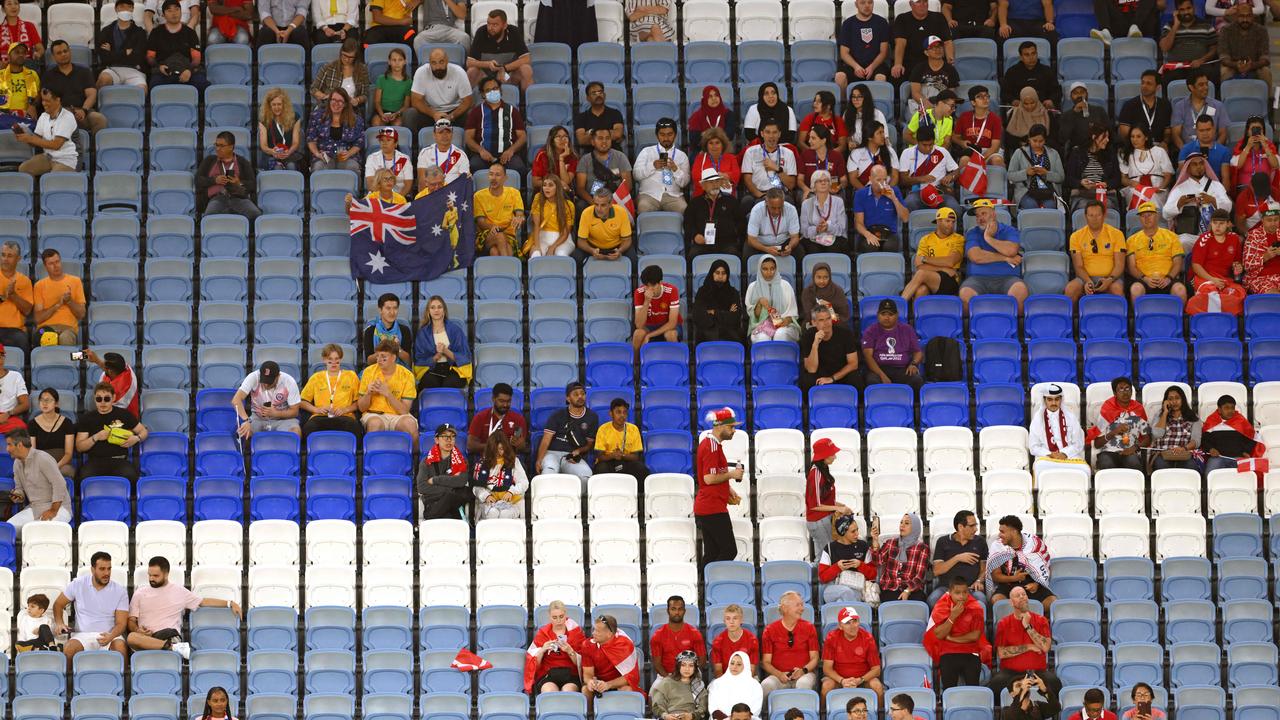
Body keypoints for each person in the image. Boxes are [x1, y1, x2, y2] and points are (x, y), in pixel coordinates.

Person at [127, 556, 240, 657]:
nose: (151, 578)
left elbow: (202, 601)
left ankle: (171, 646)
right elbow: (131, 620)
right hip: (146, 639)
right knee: (132, 637)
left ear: (166, 574)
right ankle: (174, 648)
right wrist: (138, 630)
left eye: (156, 576)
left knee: (167, 635)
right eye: (150, 575)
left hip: (168, 634)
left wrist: (229, 603)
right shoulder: (140, 593)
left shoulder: (179, 591)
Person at [53, 552, 129, 662]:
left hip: (110, 635)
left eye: (109, 569)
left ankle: (122, 679)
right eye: (102, 569)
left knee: (120, 648)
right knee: (69, 649)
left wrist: (111, 636)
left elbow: (121, 623)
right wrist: (59, 623)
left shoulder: (120, 591)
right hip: (82, 635)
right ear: (93, 570)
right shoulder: (77, 584)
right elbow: (58, 605)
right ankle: (67, 680)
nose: (107, 573)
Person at [695, 408, 744, 567]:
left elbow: (715, 473)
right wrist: (732, 475)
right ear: (720, 426)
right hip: (712, 507)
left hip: (709, 506)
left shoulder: (711, 444)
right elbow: (709, 479)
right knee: (729, 550)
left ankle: (704, 586)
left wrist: (728, 490)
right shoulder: (712, 447)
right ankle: (713, 583)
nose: (734, 431)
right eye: (731, 427)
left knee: (712, 553)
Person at [989, 586, 1058, 696]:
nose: (1022, 597)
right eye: (1018, 596)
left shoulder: (1041, 620)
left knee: (1054, 683)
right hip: (1011, 672)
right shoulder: (1004, 623)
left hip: (1037, 671)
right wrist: (1029, 647)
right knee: (995, 684)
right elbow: (1002, 653)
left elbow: (1046, 647)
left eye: (1024, 594)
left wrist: (1027, 626)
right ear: (1012, 602)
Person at [74, 382, 147, 481]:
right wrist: (96, 437)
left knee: (131, 477)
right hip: (95, 461)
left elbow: (144, 431)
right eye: (99, 399)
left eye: (107, 399)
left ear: (113, 398)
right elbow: (79, 447)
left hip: (119, 459)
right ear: (95, 399)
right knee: (84, 478)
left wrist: (136, 438)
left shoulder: (124, 414)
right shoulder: (87, 418)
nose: (103, 402)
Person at [925, 575, 987, 690]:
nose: (962, 596)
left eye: (965, 592)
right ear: (950, 592)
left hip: (971, 652)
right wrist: (952, 617)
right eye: (957, 593)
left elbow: (975, 635)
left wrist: (952, 639)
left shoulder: (975, 608)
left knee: (973, 690)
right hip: (948, 653)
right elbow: (939, 634)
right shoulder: (941, 607)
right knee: (949, 690)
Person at [1164, 153, 1234, 253]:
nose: (1199, 167)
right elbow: (1165, 213)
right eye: (1194, 164)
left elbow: (1228, 207)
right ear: (1187, 168)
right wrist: (1179, 204)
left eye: (1201, 164)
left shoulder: (1215, 185)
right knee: (1182, 241)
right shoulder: (1179, 189)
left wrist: (1213, 200)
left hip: (1214, 233)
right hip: (1190, 236)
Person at [6, 429, 70, 535]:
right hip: (34, 508)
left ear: (20, 445)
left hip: (59, 508)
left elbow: (60, 484)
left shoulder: (43, 458)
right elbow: (19, 488)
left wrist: (53, 511)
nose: (7, 449)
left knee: (39, 530)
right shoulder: (16, 463)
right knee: (9, 527)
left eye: (9, 445)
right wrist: (18, 495)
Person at [986, 515, 1057, 611]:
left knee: (1052, 602)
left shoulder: (1035, 544)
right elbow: (995, 575)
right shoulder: (998, 546)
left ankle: (1034, 621)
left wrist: (1037, 584)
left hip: (1031, 586)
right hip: (1008, 585)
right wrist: (1014, 578)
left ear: (1014, 532)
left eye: (1002, 532)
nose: (999, 535)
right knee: (997, 600)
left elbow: (1046, 568)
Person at [358, 339, 420, 443]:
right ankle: (372, 458)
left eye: (383, 357)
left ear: (393, 358)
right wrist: (368, 393)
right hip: (374, 414)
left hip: (398, 416)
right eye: (377, 356)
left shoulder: (407, 375)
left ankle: (415, 458)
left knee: (410, 424)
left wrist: (388, 394)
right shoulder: (368, 372)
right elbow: (361, 408)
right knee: (375, 423)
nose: (378, 360)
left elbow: (404, 411)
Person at [759, 591, 820, 697]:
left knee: (803, 684)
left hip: (804, 674)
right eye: (798, 605)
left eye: (802, 605)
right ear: (785, 608)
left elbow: (815, 658)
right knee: (766, 685)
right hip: (779, 676)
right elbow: (766, 662)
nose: (802, 608)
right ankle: (765, 713)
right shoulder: (770, 630)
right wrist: (779, 674)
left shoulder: (809, 627)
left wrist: (803, 670)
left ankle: (805, 713)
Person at [1065, 200, 1127, 303]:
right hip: (1085, 278)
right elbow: (1078, 266)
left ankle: (1119, 318)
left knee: (1117, 290)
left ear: (1104, 216)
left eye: (1098, 215)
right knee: (1070, 289)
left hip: (1111, 278)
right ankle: (1074, 318)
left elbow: (1119, 264)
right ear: (1085, 216)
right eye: (1091, 215)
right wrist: (1088, 281)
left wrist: (1109, 280)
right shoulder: (1076, 236)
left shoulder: (1117, 234)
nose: (1094, 219)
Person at [821, 606, 884, 703]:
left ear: (859, 622)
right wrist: (842, 680)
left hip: (863, 679)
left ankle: (880, 716)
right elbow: (827, 668)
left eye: (855, 621)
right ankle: (823, 715)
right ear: (840, 626)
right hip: (838, 678)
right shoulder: (832, 638)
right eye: (847, 623)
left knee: (878, 687)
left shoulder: (867, 638)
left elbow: (876, 670)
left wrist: (860, 680)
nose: (852, 626)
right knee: (826, 686)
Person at [537, 382, 598, 482]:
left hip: (571, 456)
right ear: (568, 398)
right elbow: (546, 440)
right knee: (548, 473)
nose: (580, 397)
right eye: (576, 394)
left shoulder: (592, 417)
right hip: (552, 453)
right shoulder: (558, 415)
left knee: (586, 476)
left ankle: (576, 498)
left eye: (582, 393)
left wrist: (579, 451)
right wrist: (539, 460)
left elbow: (589, 444)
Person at [41, 41, 106, 136]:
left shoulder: (84, 72)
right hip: (60, 113)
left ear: (70, 52)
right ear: (54, 57)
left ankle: (93, 148)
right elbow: (47, 100)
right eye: (59, 53)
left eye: (65, 51)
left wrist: (84, 110)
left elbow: (91, 94)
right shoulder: (48, 76)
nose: (63, 54)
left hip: (83, 111)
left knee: (99, 119)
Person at [524, 599, 586, 694]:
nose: (558, 621)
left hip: (571, 674)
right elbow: (534, 665)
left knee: (568, 691)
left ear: (565, 615)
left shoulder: (575, 632)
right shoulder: (543, 633)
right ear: (549, 617)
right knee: (550, 691)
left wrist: (570, 651)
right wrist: (542, 650)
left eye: (561, 617)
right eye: (554, 617)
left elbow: (584, 662)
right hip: (548, 674)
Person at [1128, 203, 1188, 300]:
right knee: (1136, 289)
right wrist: (1145, 278)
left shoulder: (1171, 236)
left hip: (1167, 278)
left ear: (1157, 216)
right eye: (1143, 216)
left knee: (1180, 290)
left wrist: (1168, 278)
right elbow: (1132, 266)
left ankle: (1177, 315)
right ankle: (1139, 315)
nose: (1146, 218)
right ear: (1139, 219)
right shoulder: (1132, 240)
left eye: (1149, 215)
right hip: (1144, 280)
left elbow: (1178, 263)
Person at [298, 344, 361, 436]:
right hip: (320, 417)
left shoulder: (351, 376)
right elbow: (302, 402)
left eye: (337, 359)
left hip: (345, 416)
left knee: (354, 427)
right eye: (330, 359)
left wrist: (346, 409)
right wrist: (316, 409)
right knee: (308, 428)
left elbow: (358, 402)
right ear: (324, 359)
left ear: (341, 359)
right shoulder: (316, 377)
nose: (334, 362)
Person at [1028, 384, 1088, 481]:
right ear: (1044, 400)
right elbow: (1033, 447)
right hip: (1046, 456)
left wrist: (1064, 453)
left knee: (1084, 470)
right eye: (1050, 399)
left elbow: (1078, 443)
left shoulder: (1071, 417)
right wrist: (1050, 454)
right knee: (1040, 469)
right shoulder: (1037, 420)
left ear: (1061, 400)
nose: (1054, 403)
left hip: (1069, 455)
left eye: (1057, 399)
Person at [1090, 377, 1151, 472]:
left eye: (1127, 388)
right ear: (1115, 393)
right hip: (1108, 451)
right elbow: (1097, 444)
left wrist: (1134, 448)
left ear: (1131, 391)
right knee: (1106, 463)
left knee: (1133, 463)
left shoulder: (1138, 409)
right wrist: (1114, 432)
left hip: (1131, 451)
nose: (1125, 392)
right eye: (1121, 389)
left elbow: (1147, 438)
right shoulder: (1107, 410)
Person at [804, 438, 853, 556]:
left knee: (828, 555)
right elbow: (814, 505)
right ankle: (809, 574)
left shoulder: (823, 469)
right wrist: (838, 509)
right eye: (832, 454)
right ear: (824, 455)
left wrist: (840, 505)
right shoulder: (815, 474)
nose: (835, 457)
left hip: (823, 519)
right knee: (825, 556)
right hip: (818, 521)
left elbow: (824, 498)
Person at [903, 207, 964, 300]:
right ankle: (916, 314)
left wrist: (925, 259)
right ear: (938, 221)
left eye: (953, 222)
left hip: (950, 280)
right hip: (933, 277)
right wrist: (943, 268)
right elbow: (919, 266)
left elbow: (950, 262)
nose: (951, 225)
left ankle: (900, 304)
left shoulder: (958, 239)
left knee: (921, 274)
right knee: (921, 290)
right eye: (947, 221)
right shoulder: (926, 239)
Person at [196, 131, 260, 220]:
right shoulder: (209, 160)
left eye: (221, 146)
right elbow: (198, 180)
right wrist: (214, 180)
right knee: (209, 217)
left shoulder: (243, 162)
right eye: (216, 145)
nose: (217, 148)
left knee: (255, 214)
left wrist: (239, 183)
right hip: (217, 198)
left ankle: (246, 233)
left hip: (238, 198)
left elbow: (252, 184)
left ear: (231, 147)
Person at [862, 298, 924, 390]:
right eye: (883, 314)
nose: (886, 317)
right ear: (878, 315)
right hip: (878, 369)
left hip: (902, 369)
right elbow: (868, 356)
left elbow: (918, 352)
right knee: (872, 382)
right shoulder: (870, 331)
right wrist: (882, 375)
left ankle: (909, 404)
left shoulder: (907, 329)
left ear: (897, 315)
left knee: (916, 380)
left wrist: (913, 364)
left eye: (890, 314)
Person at [740, 120, 798, 216]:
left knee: (789, 202)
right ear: (762, 134)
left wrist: (777, 168)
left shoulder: (788, 153)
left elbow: (791, 185)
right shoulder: (751, 152)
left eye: (775, 132)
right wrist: (761, 195)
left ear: (779, 134)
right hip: (758, 193)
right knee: (747, 202)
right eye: (768, 132)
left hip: (781, 194)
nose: (771, 136)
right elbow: (747, 180)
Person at [16, 87, 78, 177]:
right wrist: (25, 137)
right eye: (43, 100)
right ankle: (34, 190)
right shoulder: (43, 116)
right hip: (48, 157)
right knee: (24, 169)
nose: (44, 104)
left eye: (47, 101)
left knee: (53, 178)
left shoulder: (67, 117)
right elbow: (35, 142)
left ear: (58, 100)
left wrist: (31, 139)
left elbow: (56, 145)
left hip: (67, 159)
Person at [580, 615, 641, 706]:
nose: (593, 633)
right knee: (585, 689)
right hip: (598, 684)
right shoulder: (587, 645)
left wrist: (608, 684)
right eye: (594, 629)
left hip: (617, 683)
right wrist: (590, 682)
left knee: (627, 690)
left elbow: (629, 677)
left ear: (609, 634)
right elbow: (587, 674)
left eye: (597, 631)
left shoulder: (624, 645)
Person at [930, 510, 988, 605]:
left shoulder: (980, 541)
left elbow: (984, 568)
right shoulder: (942, 541)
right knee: (933, 600)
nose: (976, 529)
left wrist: (979, 580)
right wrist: (957, 558)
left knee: (981, 601)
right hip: (947, 588)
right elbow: (937, 570)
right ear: (961, 527)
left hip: (971, 588)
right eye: (972, 526)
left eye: (976, 525)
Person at [898, 126, 960, 214]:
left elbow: (956, 171)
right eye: (924, 145)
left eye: (930, 145)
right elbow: (903, 180)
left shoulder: (942, 152)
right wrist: (921, 179)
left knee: (955, 209)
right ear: (917, 142)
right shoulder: (907, 153)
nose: (928, 148)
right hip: (918, 192)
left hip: (939, 191)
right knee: (908, 204)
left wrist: (950, 176)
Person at [1188, 209, 1244, 306]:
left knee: (1239, 294)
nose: (1217, 226)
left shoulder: (1235, 239)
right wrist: (1212, 279)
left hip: (1225, 279)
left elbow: (1237, 262)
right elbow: (1196, 266)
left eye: (1221, 223)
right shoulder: (1204, 239)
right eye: (1215, 223)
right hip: (1204, 277)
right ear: (1211, 223)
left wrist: (1238, 267)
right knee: (1211, 295)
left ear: (1228, 224)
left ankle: (1228, 319)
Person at [407, 48, 472, 131]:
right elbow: (416, 101)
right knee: (410, 114)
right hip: (430, 112)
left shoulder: (459, 72)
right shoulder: (421, 72)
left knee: (471, 113)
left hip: (455, 113)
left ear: (447, 61)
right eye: (434, 63)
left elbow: (468, 101)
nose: (438, 67)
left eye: (441, 62)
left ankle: (467, 143)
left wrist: (452, 116)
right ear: (429, 63)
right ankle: (416, 142)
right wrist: (433, 114)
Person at [466, 8, 532, 90]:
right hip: (485, 77)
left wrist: (504, 68)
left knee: (526, 69)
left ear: (504, 26)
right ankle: (470, 102)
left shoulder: (514, 32)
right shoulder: (481, 32)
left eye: (495, 25)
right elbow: (469, 62)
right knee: (471, 71)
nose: (490, 28)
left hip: (507, 76)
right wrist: (487, 64)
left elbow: (526, 59)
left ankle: (525, 101)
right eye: (488, 24)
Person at [232, 361, 301, 439]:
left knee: (295, 433)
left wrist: (276, 413)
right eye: (264, 381)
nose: (266, 385)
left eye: (269, 382)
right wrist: (246, 420)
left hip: (283, 419)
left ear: (278, 376)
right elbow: (236, 400)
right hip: (257, 418)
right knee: (244, 433)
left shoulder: (289, 381)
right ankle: (249, 451)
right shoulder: (253, 377)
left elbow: (295, 412)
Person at [650, 596, 707, 691]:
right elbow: (657, 664)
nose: (677, 612)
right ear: (668, 611)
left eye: (680, 609)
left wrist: (688, 675)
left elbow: (702, 660)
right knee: (652, 694)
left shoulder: (694, 633)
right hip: (666, 675)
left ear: (684, 611)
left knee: (701, 694)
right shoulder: (658, 635)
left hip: (690, 674)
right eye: (673, 609)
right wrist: (670, 680)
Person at [800, 304, 861, 393]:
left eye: (828, 318)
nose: (826, 323)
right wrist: (815, 345)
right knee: (807, 380)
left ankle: (856, 406)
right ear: (813, 322)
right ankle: (811, 406)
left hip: (841, 374)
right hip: (819, 376)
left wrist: (832, 378)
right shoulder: (807, 336)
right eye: (821, 320)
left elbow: (853, 364)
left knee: (855, 378)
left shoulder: (845, 334)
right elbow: (811, 369)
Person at [634, 118, 689, 214]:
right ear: (657, 135)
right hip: (649, 195)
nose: (666, 138)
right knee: (643, 207)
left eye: (670, 134)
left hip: (674, 196)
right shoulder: (646, 152)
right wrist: (652, 166)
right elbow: (636, 175)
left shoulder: (682, 156)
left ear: (675, 135)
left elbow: (684, 183)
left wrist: (675, 169)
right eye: (662, 134)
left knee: (684, 209)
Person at [416, 423, 470, 520]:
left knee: (455, 496)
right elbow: (421, 487)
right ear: (436, 440)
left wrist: (436, 480)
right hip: (434, 504)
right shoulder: (426, 462)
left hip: (452, 504)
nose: (449, 440)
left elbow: (461, 481)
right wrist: (450, 488)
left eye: (452, 437)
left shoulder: (461, 461)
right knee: (450, 497)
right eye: (445, 436)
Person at [1159, 0, 1218, 88]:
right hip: (1176, 68)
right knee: (1166, 79)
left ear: (1193, 8)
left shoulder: (1206, 25)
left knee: (1213, 74)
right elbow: (1164, 48)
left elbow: (1214, 49)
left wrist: (1202, 60)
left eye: (1188, 8)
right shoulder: (1169, 26)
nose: (1186, 12)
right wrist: (1175, 26)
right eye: (1182, 9)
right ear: (1177, 11)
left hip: (1199, 66)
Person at [819, 514, 876, 603]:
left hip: (856, 587)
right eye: (853, 531)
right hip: (833, 589)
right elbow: (822, 577)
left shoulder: (863, 546)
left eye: (857, 530)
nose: (857, 534)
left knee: (841, 601)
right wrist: (837, 567)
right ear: (843, 532)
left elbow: (873, 575)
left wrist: (860, 565)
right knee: (847, 592)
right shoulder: (830, 548)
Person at [892, 0, 953, 83]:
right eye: (918, 2)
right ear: (911, 4)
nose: (922, 5)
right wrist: (898, 64)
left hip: (935, 61)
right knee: (896, 75)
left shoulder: (939, 17)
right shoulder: (902, 19)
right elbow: (900, 43)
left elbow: (947, 42)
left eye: (925, 2)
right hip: (910, 63)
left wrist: (950, 61)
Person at [32, 249, 85, 347]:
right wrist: (58, 305)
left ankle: (70, 361)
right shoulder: (39, 285)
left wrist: (69, 301)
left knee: (65, 338)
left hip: (68, 329)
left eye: (57, 262)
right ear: (45, 266)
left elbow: (81, 314)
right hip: (45, 328)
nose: (56, 266)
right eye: (51, 263)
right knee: (41, 336)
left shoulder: (75, 281)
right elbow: (38, 318)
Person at [146, 0, 204, 87]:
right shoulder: (156, 32)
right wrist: (159, 66)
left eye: (177, 10)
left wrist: (189, 70)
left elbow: (196, 58)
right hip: (164, 70)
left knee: (202, 85)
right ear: (163, 14)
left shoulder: (190, 32)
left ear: (181, 12)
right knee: (155, 85)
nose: (174, 13)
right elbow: (150, 57)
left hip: (186, 69)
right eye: (169, 10)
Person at [686, 168, 742, 259]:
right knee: (693, 255)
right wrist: (695, 235)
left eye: (717, 181)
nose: (715, 185)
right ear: (703, 185)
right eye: (711, 182)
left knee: (734, 254)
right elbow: (688, 223)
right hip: (703, 243)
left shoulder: (731, 201)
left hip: (726, 243)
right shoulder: (695, 203)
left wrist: (732, 234)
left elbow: (740, 222)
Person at [872, 513, 929, 602]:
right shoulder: (890, 543)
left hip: (912, 589)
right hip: (890, 587)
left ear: (915, 527)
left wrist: (907, 590)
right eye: (901, 522)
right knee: (890, 606)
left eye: (906, 523)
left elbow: (920, 576)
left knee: (918, 603)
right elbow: (877, 561)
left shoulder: (922, 548)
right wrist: (875, 540)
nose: (902, 525)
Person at [837, 0, 892, 91]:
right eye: (862, 3)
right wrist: (856, 67)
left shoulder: (881, 22)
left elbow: (883, 52)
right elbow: (844, 53)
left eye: (870, 2)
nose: (867, 6)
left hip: (876, 65)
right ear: (856, 4)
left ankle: (877, 105)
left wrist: (872, 67)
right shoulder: (848, 24)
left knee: (880, 78)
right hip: (853, 65)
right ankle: (844, 104)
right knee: (839, 77)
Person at [1065, 123, 1121, 211]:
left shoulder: (1110, 154)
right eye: (1104, 137)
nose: (1107, 140)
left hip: (1104, 194)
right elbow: (1069, 178)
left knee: (1108, 205)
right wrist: (1081, 183)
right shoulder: (1077, 153)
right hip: (1083, 194)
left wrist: (1106, 184)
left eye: (1108, 137)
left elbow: (1117, 179)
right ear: (1094, 137)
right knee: (1084, 206)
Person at [472, 431, 527, 520]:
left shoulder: (514, 461)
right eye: (495, 449)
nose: (498, 453)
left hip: (510, 501)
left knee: (505, 514)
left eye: (501, 449)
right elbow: (477, 487)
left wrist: (511, 492)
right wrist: (486, 496)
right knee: (493, 512)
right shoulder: (482, 463)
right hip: (489, 501)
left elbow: (524, 482)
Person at [307, 88, 365, 172]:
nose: (336, 104)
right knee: (318, 168)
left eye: (340, 101)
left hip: (347, 156)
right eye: (333, 100)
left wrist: (349, 153)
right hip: (324, 156)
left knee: (352, 168)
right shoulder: (317, 116)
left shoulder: (356, 120)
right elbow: (311, 139)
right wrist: (317, 153)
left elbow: (359, 141)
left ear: (345, 104)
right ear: (329, 101)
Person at [745, 256, 800, 344]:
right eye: (765, 269)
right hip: (761, 326)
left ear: (776, 268)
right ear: (760, 269)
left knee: (780, 334)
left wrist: (785, 322)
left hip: (785, 325)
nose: (769, 272)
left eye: (772, 268)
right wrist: (759, 303)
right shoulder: (753, 287)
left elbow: (792, 313)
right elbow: (754, 317)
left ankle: (782, 358)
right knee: (763, 338)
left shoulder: (785, 285)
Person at [95, 0, 149, 89]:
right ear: (116, 9)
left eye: (129, 7)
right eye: (122, 7)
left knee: (142, 89)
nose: (125, 10)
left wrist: (112, 52)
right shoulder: (106, 31)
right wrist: (125, 52)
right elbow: (104, 57)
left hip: (134, 70)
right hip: (112, 69)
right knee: (103, 79)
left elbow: (138, 57)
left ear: (133, 9)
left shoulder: (140, 32)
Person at [854, 165, 908, 253]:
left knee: (890, 247)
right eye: (878, 180)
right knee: (869, 246)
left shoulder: (895, 191)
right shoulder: (860, 194)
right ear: (870, 179)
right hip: (868, 231)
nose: (882, 183)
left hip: (889, 232)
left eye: (885, 180)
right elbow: (859, 223)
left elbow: (905, 218)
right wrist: (868, 234)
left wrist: (894, 199)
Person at [1200, 394, 1260, 474]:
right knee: (1209, 474)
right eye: (1226, 408)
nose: (1230, 411)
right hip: (1218, 458)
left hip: (1238, 457)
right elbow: (1204, 441)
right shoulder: (1211, 421)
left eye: (1232, 408)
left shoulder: (1241, 421)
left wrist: (1246, 451)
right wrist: (1211, 449)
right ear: (1219, 409)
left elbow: (1252, 438)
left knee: (1248, 476)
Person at [474, 162, 524, 257]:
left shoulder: (514, 193)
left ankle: (501, 270)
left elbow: (520, 214)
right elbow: (480, 222)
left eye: (497, 175)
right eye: (491, 174)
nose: (493, 178)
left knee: (495, 252)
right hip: (487, 234)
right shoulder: (479, 196)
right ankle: (511, 268)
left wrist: (519, 218)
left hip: (509, 236)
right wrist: (491, 227)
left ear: (505, 178)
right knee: (499, 236)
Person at [1170, 72, 1230, 151]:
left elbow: (1223, 133)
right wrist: (1184, 151)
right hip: (1187, 152)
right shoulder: (1180, 106)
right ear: (1191, 87)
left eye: (1206, 84)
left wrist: (1214, 151)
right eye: (1201, 85)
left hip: (1211, 150)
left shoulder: (1218, 106)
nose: (1206, 87)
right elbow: (1176, 134)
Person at [1148, 385, 1201, 472]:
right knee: (1161, 466)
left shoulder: (1193, 417)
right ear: (1166, 401)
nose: (1174, 401)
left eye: (1177, 398)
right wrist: (1165, 413)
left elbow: (1196, 441)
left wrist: (1184, 448)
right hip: (1162, 454)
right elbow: (1157, 434)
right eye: (1170, 399)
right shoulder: (1159, 415)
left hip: (1184, 454)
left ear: (1182, 400)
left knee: (1191, 467)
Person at [691, 260, 744, 345]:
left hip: (729, 332)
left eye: (723, 273)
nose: (720, 276)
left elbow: (735, 317)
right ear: (712, 273)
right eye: (717, 272)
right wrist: (726, 314)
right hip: (707, 331)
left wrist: (714, 312)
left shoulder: (733, 293)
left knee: (736, 335)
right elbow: (698, 316)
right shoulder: (703, 291)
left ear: (727, 275)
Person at [576, 182, 634, 261]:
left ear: (610, 204)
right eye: (596, 204)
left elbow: (627, 240)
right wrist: (592, 251)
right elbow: (581, 241)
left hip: (616, 246)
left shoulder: (621, 212)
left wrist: (620, 250)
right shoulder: (586, 213)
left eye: (603, 205)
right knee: (576, 257)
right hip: (593, 247)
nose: (599, 209)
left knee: (633, 260)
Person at [576, 126, 633, 206]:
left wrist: (612, 202)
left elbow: (628, 185)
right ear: (592, 141)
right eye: (600, 138)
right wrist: (594, 203)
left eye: (607, 138)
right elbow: (580, 188)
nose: (604, 141)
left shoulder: (620, 157)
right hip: (592, 200)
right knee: (580, 205)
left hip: (615, 199)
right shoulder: (585, 160)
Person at [593, 397, 648, 480]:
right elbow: (600, 457)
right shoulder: (603, 429)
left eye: (625, 412)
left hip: (626, 461)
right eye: (618, 412)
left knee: (641, 469)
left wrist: (622, 455)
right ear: (611, 413)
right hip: (608, 461)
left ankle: (637, 492)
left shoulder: (633, 429)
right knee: (600, 469)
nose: (622, 415)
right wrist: (613, 455)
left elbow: (636, 457)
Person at [466, 383, 527, 456]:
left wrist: (520, 445)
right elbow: (471, 446)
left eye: (508, 401)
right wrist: (494, 447)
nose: (505, 405)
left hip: (509, 460)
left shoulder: (518, 419)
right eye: (501, 401)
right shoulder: (480, 417)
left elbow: (521, 444)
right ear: (493, 399)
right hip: (486, 460)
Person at [1120, 126, 1174, 208]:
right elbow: (1123, 179)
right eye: (1132, 136)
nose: (1134, 140)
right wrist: (1132, 183)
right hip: (1136, 188)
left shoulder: (1159, 151)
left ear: (1146, 137)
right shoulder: (1125, 154)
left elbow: (1168, 175)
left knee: (1152, 196)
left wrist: (1160, 188)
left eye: (1138, 136)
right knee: (1142, 195)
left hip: (1157, 188)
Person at [1117, 70, 1173, 148]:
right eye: (1142, 83)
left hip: (1158, 147)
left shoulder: (1165, 105)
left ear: (1158, 87)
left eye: (1149, 83)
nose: (1144, 86)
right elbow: (1124, 132)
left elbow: (1168, 131)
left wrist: (1165, 142)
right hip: (1136, 147)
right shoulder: (1129, 105)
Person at [1219, 2, 1270, 85]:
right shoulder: (1226, 30)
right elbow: (1224, 56)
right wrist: (1236, 65)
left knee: (1265, 71)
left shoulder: (1261, 31)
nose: (1245, 20)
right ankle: (1224, 97)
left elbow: (1265, 58)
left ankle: (1269, 98)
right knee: (1225, 71)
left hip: (1255, 65)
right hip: (1233, 65)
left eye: (1248, 16)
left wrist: (1252, 65)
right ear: (1236, 16)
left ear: (1253, 16)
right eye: (1241, 16)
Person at [746, 188, 803, 261]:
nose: (777, 211)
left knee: (800, 252)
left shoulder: (791, 209)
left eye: (780, 207)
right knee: (747, 254)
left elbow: (795, 237)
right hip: (762, 244)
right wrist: (766, 249)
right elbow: (751, 240)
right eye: (773, 208)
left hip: (784, 242)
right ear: (766, 202)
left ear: (783, 202)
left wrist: (790, 247)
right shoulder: (757, 210)